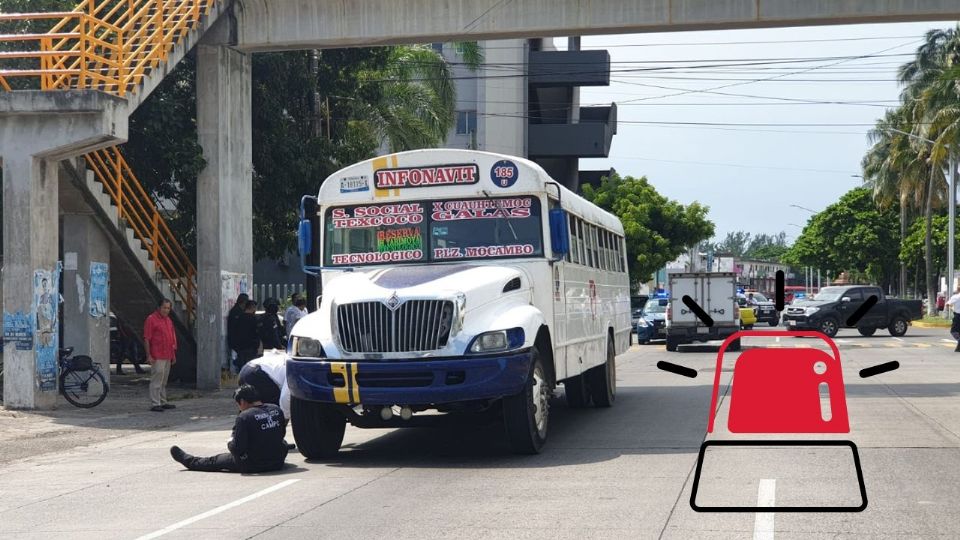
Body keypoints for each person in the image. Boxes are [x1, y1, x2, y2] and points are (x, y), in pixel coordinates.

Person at [169, 385, 288, 473]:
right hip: (277, 461)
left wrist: (230, 441)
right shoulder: (275, 409)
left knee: (214, 461)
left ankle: (189, 461)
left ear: (242, 402)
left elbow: (237, 449)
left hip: (253, 464)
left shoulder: (244, 417)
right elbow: (281, 434)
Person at [144, 298, 178, 412]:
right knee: (156, 379)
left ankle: (163, 401)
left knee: (164, 380)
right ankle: (155, 402)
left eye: (168, 308)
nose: (166, 310)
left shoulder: (168, 320)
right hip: (157, 354)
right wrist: (149, 355)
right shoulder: (151, 319)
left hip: (167, 354)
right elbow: (147, 338)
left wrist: (173, 355)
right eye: (164, 307)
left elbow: (172, 339)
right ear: (159, 307)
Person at [238, 351, 290, 419]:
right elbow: (285, 397)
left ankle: (240, 427)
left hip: (247, 368)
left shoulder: (290, 358)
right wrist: (284, 418)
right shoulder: (296, 368)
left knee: (248, 407)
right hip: (258, 373)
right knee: (273, 411)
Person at [235, 300, 261, 370]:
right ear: (253, 307)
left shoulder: (239, 317)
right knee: (250, 368)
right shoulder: (254, 319)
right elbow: (257, 332)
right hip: (251, 347)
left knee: (242, 368)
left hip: (240, 347)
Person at [227, 293, 250, 372]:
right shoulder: (236, 312)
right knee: (235, 360)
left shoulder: (239, 311)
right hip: (235, 341)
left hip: (238, 341)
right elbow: (235, 328)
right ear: (243, 302)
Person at [947, 286, 960, 352]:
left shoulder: (955, 297)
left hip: (958, 316)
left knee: (953, 331)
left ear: (958, 290)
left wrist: (951, 308)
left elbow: (948, 304)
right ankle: (958, 348)